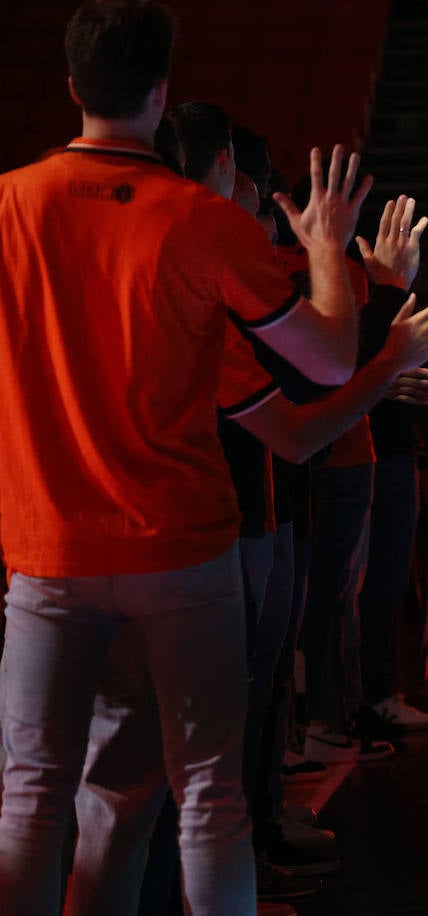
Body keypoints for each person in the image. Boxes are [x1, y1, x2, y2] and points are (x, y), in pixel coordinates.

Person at [0, 1, 372, 912]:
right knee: (209, 795)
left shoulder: (9, 202)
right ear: (161, 94)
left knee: (34, 797)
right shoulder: (198, 217)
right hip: (184, 550)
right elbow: (328, 358)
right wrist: (327, 251)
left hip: (49, 557)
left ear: (74, 85)